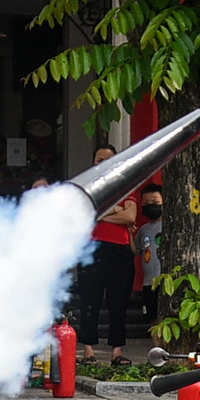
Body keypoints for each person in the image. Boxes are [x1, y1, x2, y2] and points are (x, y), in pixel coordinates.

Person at [71, 143, 138, 364]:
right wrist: (116, 209)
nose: (103, 163)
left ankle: (117, 352)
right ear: (93, 163)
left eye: (107, 159)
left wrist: (100, 213)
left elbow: (130, 217)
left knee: (119, 302)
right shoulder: (87, 186)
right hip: (92, 248)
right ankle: (88, 351)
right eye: (99, 159)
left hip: (120, 249)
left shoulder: (127, 183)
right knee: (90, 300)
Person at [131, 184, 166, 324]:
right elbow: (136, 251)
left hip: (166, 281)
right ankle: (157, 345)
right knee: (153, 319)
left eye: (155, 202)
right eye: (146, 203)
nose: (151, 206)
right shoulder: (143, 230)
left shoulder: (172, 225)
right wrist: (128, 234)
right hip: (148, 282)